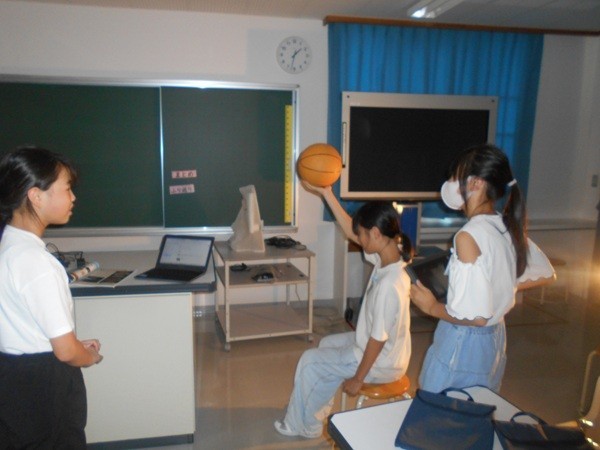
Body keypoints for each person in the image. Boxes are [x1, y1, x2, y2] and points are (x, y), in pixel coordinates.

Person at [410, 143, 555, 393]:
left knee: (439, 406)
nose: (451, 183)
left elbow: (476, 318)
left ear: (475, 183)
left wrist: (431, 306)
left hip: (463, 344)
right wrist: (497, 287)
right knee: (479, 403)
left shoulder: (467, 236)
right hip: (494, 339)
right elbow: (546, 273)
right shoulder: (504, 225)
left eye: (456, 176)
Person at [274, 183, 412, 439]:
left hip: (382, 361)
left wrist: (358, 378)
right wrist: (327, 192)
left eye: (362, 235)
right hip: (384, 350)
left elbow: (377, 340)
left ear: (376, 234)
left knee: (309, 361)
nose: (358, 240)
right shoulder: (389, 255)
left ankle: (300, 425)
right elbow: (350, 229)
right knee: (326, 344)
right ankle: (314, 413)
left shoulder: (389, 285)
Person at [0, 146, 104, 448]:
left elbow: (24, 324)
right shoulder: (37, 263)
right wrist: (89, 356)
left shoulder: (10, 243)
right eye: (67, 188)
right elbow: (66, 353)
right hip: (43, 385)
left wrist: (72, 344)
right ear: (36, 196)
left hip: (14, 374)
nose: (73, 198)